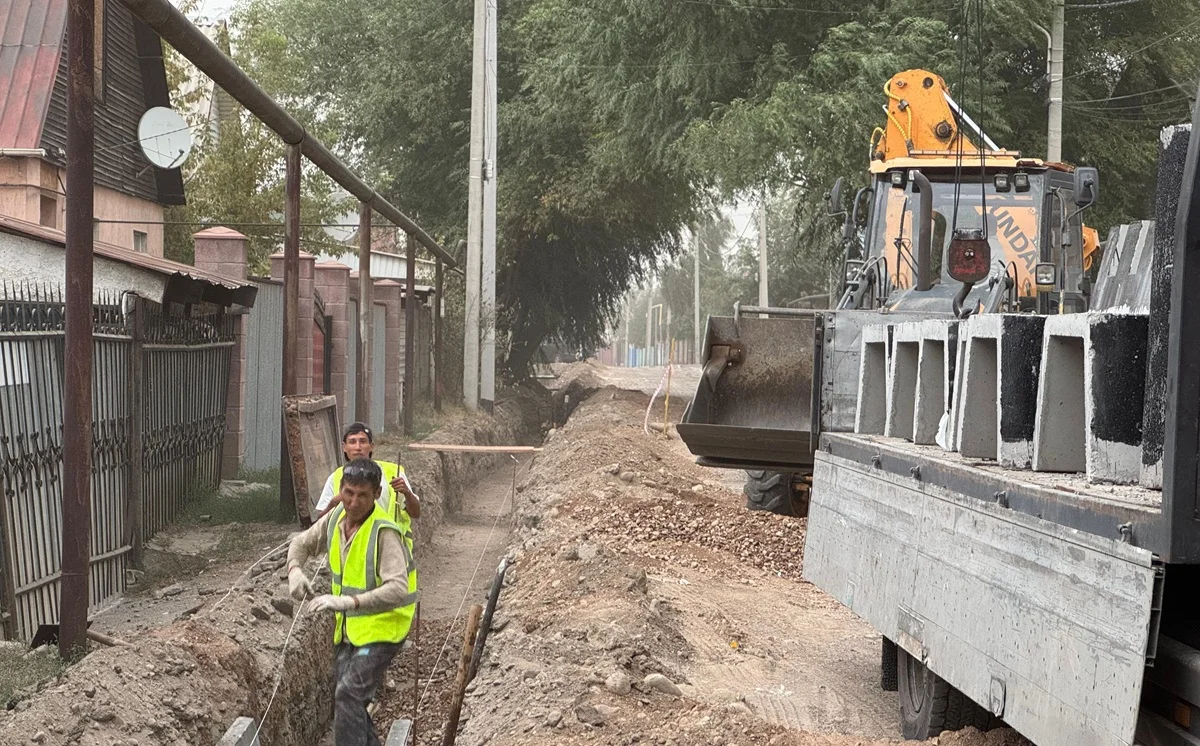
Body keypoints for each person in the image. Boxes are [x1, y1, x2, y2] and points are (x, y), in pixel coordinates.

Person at [287, 459, 418, 746]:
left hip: (385, 628)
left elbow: (397, 588)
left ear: (376, 494)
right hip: (350, 630)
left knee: (348, 694)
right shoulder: (335, 519)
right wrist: (295, 570)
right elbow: (301, 543)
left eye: (362, 495)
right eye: (348, 493)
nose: (353, 502)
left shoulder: (384, 532)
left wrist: (349, 602)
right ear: (341, 490)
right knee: (349, 699)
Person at [316, 422, 421, 528]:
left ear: (371, 446)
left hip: (386, 541)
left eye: (363, 441)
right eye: (352, 442)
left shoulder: (393, 473)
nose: (358, 447)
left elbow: (415, 513)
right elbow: (320, 522)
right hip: (349, 543)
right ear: (344, 447)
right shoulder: (335, 477)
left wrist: (407, 493)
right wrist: (334, 503)